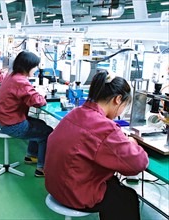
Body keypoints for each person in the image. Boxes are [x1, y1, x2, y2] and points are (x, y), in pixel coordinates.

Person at [44, 70, 149, 220]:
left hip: (55, 186)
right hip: (73, 194)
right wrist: (132, 143)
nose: (121, 111)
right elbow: (137, 164)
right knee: (126, 197)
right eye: (124, 106)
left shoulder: (75, 113)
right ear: (118, 99)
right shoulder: (105, 127)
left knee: (113, 185)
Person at [0, 51, 53, 177]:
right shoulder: (20, 81)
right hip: (12, 125)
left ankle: (31, 155)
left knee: (40, 124)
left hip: (3, 120)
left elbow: (25, 94)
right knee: (47, 133)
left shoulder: (12, 76)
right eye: (35, 66)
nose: (36, 69)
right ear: (28, 66)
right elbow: (38, 102)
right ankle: (41, 169)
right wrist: (41, 94)